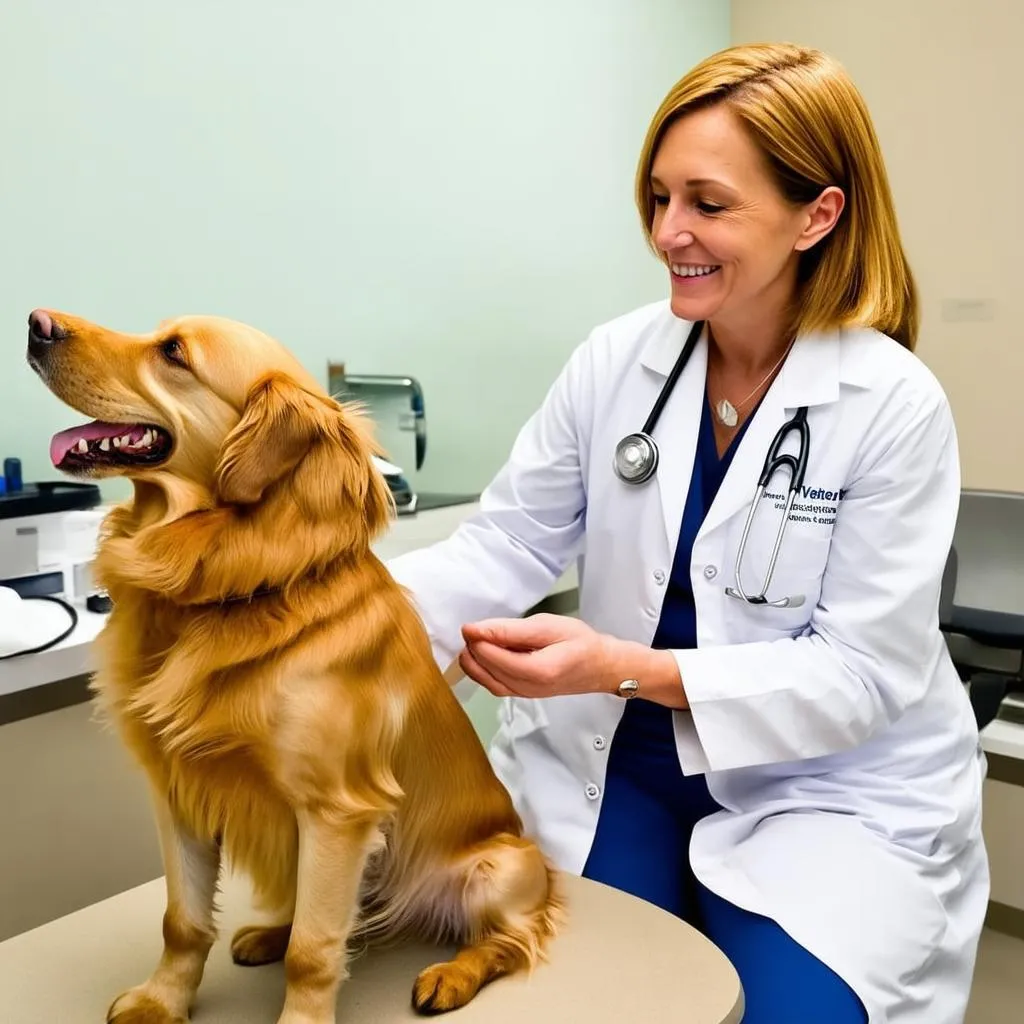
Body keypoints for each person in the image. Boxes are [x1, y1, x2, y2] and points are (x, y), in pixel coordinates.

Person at [385, 42, 988, 1023]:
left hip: (824, 788)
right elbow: (504, 548)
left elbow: (857, 676)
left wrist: (621, 664)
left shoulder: (890, 403)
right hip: (618, 758)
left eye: (707, 204)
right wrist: (350, 631)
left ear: (817, 214)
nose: (670, 232)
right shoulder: (615, 361)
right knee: (578, 1002)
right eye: (658, 197)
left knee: (788, 1011)